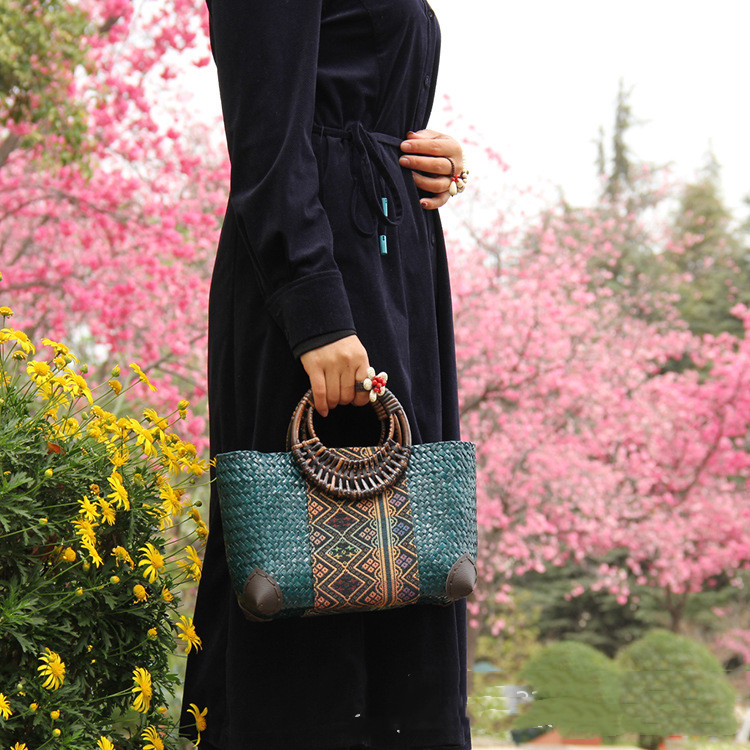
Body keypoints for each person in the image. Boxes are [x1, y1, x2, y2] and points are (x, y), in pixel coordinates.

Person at [180, 1, 470, 749]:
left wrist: (424, 155)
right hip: (320, 282)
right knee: (299, 567)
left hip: (392, 271)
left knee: (408, 562)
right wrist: (315, 314)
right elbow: (267, 138)